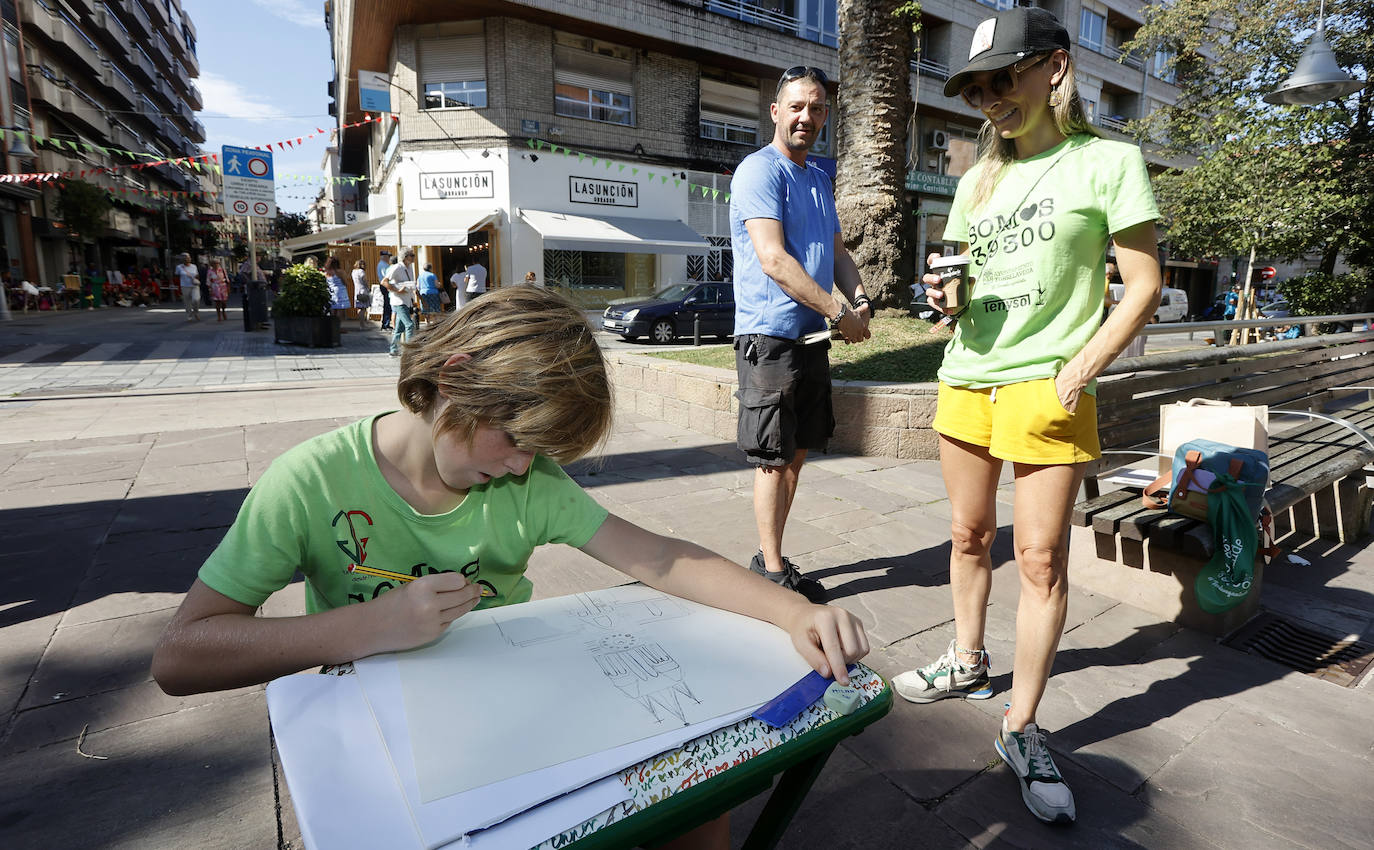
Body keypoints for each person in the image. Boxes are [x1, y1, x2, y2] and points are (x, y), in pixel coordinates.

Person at [150, 287, 870, 850]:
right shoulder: (308, 483)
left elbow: (660, 556)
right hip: (391, 741)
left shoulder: (528, 478)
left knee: (700, 817)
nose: (522, 466)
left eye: (538, 451)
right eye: (516, 439)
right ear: (455, 380)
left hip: (521, 716)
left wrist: (794, 610)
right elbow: (182, 657)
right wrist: (371, 625)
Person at [890, 7, 1162, 826]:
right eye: (977, 86)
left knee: (1041, 562)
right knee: (969, 537)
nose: (991, 99)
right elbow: (957, 287)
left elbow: (1142, 285)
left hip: (1047, 389)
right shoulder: (977, 178)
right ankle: (967, 658)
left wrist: (1076, 372)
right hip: (967, 379)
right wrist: (943, 296)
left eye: (1003, 78)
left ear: (1053, 66)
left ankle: (1022, 726)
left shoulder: (1108, 161)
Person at [729, 64, 872, 603]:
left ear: (825, 116)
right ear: (776, 111)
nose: (806, 117)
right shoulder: (758, 172)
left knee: (795, 454)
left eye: (816, 108)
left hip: (811, 338)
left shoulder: (817, 177)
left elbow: (835, 251)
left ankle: (774, 555)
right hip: (770, 339)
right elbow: (774, 260)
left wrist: (858, 296)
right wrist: (841, 314)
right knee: (772, 459)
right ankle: (769, 570)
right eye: (796, 106)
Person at [384, 249, 418, 357]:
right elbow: (384, 281)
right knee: (410, 325)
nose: (414, 257)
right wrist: (397, 290)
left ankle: (393, 350)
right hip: (398, 301)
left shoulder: (409, 268)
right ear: (405, 257)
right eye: (411, 255)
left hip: (406, 301)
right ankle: (409, 351)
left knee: (399, 328)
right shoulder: (397, 267)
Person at [324, 256, 350, 330]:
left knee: (333, 310)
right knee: (340, 310)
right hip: (340, 291)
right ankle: (338, 327)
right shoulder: (340, 272)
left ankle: (332, 326)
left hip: (331, 292)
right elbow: (345, 282)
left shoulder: (326, 273)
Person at [175, 253, 200, 321]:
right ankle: (189, 314)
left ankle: (196, 312)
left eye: (188, 258)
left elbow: (197, 275)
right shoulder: (179, 267)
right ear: (182, 259)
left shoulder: (194, 266)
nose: (187, 259)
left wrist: (195, 278)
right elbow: (177, 276)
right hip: (184, 286)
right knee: (187, 301)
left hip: (194, 285)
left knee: (196, 299)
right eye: (185, 258)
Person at [207, 258, 230, 322]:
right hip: (215, 287)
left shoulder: (222, 270)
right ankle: (219, 315)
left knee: (224, 302)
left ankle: (223, 311)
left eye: (217, 263)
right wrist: (210, 289)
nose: (216, 265)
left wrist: (228, 288)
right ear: (212, 264)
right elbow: (208, 281)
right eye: (214, 263)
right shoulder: (210, 271)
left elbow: (227, 280)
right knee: (217, 302)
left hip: (223, 287)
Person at [376, 250, 394, 330]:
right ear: (384, 256)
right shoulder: (383, 265)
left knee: (387, 304)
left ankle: (386, 323)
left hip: (384, 285)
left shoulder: (382, 264)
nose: (389, 258)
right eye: (388, 256)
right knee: (387, 305)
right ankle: (386, 323)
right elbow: (386, 277)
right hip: (385, 285)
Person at [352, 259, 370, 329]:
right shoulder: (361, 272)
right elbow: (365, 281)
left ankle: (361, 324)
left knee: (359, 308)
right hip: (363, 290)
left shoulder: (353, 272)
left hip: (356, 291)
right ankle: (362, 325)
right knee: (363, 308)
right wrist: (368, 287)